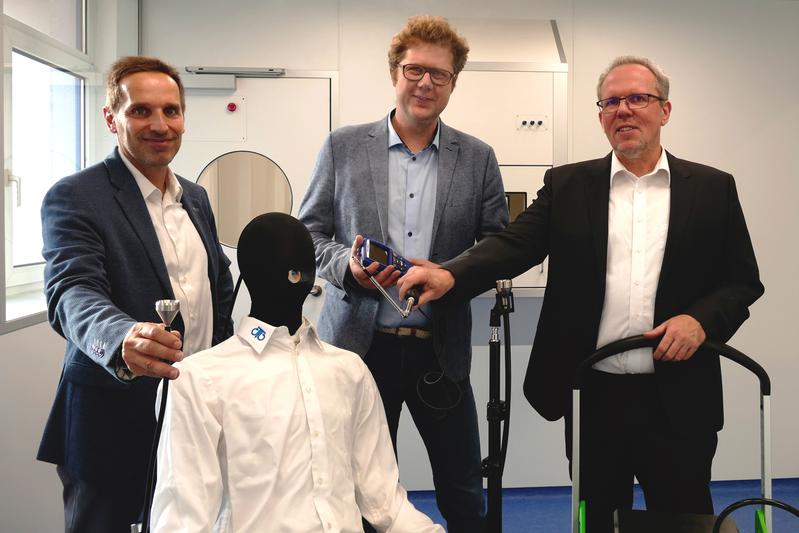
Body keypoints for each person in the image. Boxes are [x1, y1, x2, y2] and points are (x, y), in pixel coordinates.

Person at [399, 55, 764, 532]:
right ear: (600, 115)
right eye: (611, 101)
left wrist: (700, 321)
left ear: (665, 110)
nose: (624, 110)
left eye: (638, 98)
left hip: (678, 398)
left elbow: (741, 281)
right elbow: (513, 245)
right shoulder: (569, 185)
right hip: (594, 395)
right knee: (594, 518)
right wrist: (451, 275)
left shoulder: (712, 188)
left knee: (683, 519)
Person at [298, 15, 508, 531]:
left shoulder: (478, 158)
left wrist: (451, 273)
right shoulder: (343, 147)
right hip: (355, 350)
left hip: (441, 349)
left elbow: (500, 246)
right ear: (395, 72)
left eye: (440, 74)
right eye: (414, 70)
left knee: (463, 493)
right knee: (358, 492)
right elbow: (308, 235)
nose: (425, 83)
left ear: (454, 82)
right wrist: (347, 267)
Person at [36, 56, 234, 532]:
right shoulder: (77, 195)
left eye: (171, 111)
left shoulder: (196, 197)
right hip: (112, 417)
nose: (160, 125)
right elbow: (72, 290)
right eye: (141, 111)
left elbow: (216, 290)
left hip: (196, 412)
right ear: (112, 118)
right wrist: (123, 336)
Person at [150, 213, 444, 533]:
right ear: (250, 272)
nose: (296, 275)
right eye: (283, 265)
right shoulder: (196, 379)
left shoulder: (349, 371)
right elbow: (183, 519)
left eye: (301, 265)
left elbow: (386, 502)